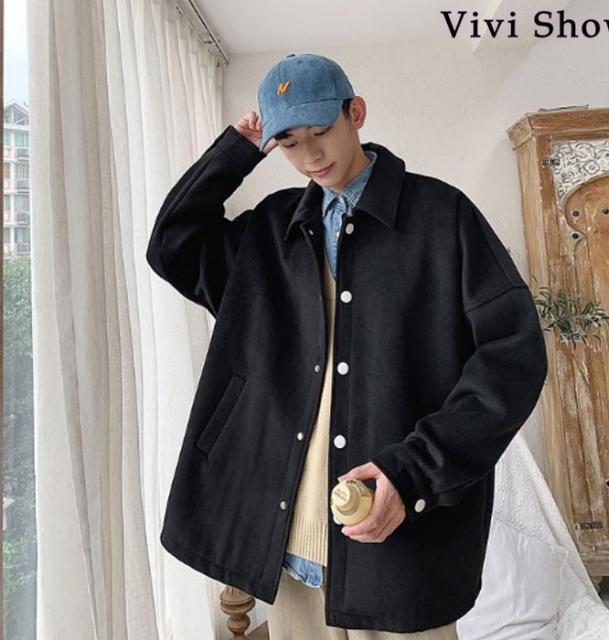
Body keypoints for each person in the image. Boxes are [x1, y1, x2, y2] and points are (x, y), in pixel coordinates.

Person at [146, 52, 548, 638]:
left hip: (398, 533)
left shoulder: (443, 217)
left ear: (355, 113)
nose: (310, 155)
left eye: (321, 130)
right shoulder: (270, 231)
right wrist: (235, 150)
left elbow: (513, 357)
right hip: (287, 538)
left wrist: (415, 472)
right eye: (288, 141)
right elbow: (172, 244)